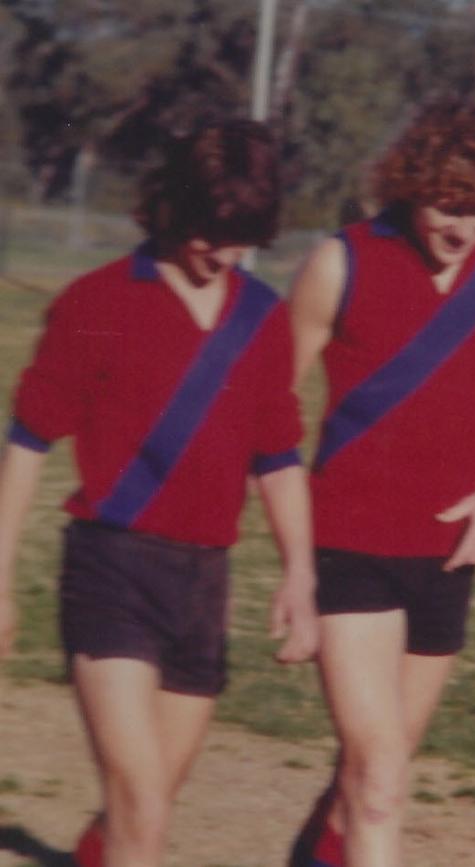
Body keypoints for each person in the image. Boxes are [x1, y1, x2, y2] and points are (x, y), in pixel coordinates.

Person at [0, 118, 318, 867]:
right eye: (211, 233)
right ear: (173, 208)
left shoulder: (262, 317)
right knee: (142, 805)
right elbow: (26, 445)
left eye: (243, 239)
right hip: (111, 570)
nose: (224, 254)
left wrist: (300, 574)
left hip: (205, 580)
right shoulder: (95, 303)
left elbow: (277, 456)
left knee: (142, 808)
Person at [288, 98, 475, 867]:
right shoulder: (340, 261)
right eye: (447, 204)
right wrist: (289, 554)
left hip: (449, 554)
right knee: (379, 780)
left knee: (369, 777)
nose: (462, 227)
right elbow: (267, 402)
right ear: (408, 186)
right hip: (349, 545)